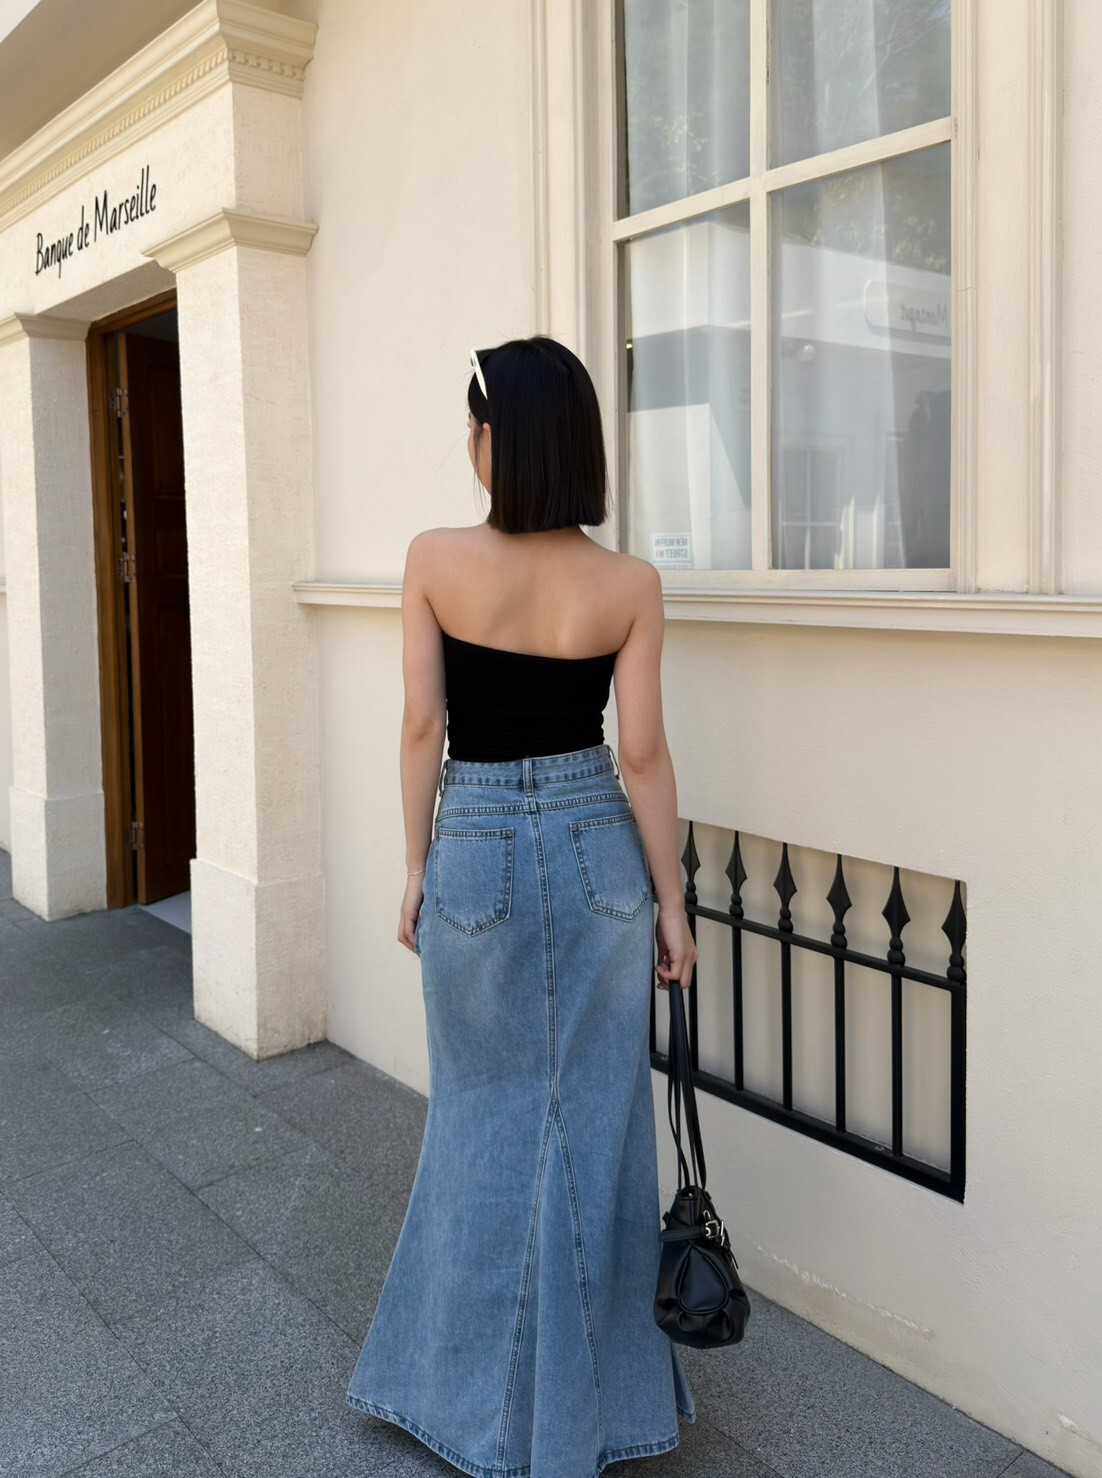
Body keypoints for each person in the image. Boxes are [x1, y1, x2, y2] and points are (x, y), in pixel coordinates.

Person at [346, 335, 699, 1476]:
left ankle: (468, 1408)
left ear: (499, 440)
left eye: (474, 423)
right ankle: (590, 1415)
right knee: (596, 1125)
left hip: (479, 841)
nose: (468, 440)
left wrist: (416, 863)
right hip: (599, 845)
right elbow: (641, 755)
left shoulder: (434, 560)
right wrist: (673, 903)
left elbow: (422, 727)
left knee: (480, 1121)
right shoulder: (628, 584)